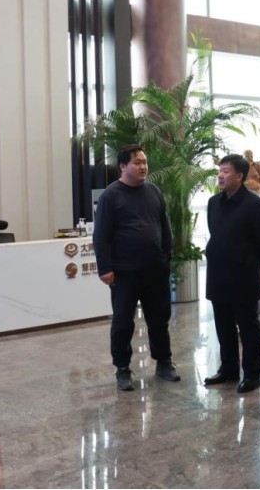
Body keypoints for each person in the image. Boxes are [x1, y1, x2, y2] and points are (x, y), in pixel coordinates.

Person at [92, 144, 180, 391]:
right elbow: (101, 236)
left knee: (159, 320)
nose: (143, 167)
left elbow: (164, 226)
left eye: (145, 162)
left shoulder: (153, 191)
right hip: (124, 273)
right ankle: (122, 368)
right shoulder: (111, 195)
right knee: (123, 323)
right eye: (137, 162)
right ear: (123, 166)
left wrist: (166, 256)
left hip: (155, 270)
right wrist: (105, 268)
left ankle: (164, 362)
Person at [203, 154, 260, 393]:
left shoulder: (255, 204)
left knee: (248, 327)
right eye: (220, 171)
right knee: (223, 325)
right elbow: (215, 233)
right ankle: (229, 369)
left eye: (226, 171)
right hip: (218, 274)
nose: (220, 175)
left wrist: (248, 262)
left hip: (243, 276)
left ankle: (252, 374)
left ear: (240, 176)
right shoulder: (214, 202)